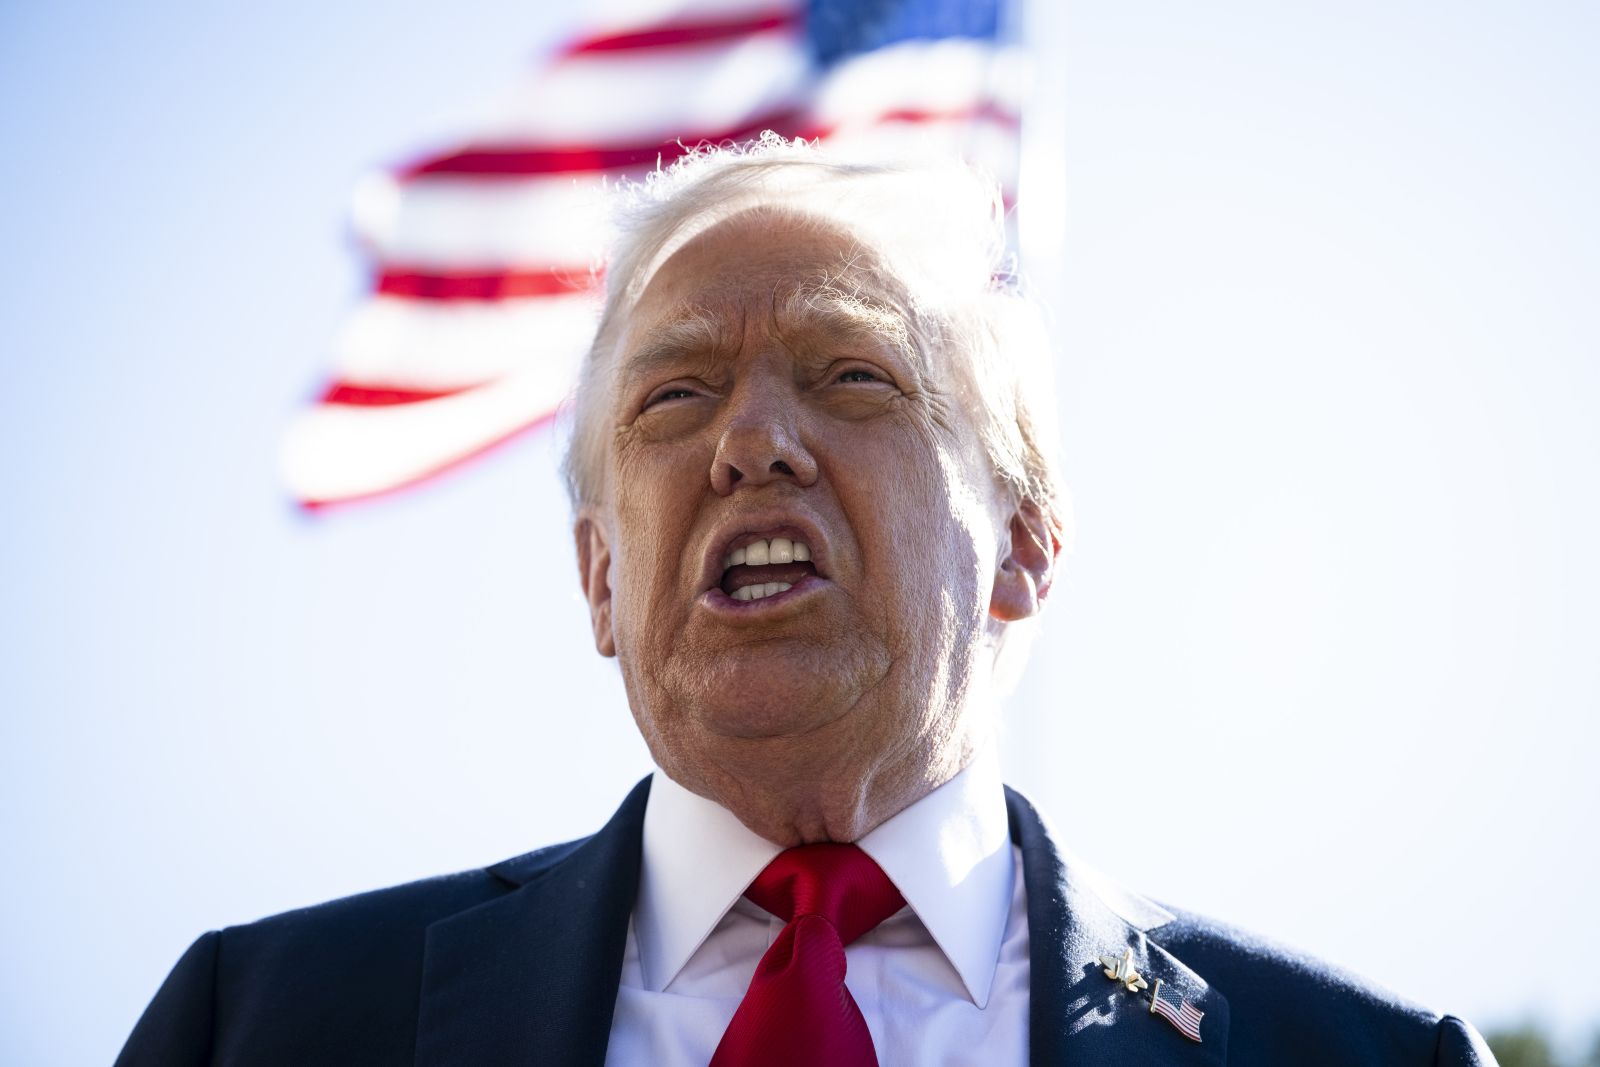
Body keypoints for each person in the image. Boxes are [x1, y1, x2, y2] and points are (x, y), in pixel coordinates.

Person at [117, 138, 1497, 1066]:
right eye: (675, 395)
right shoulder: (265, 1025)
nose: (752, 441)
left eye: (852, 375)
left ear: (1025, 543)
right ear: (600, 577)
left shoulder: (1367, 1058)